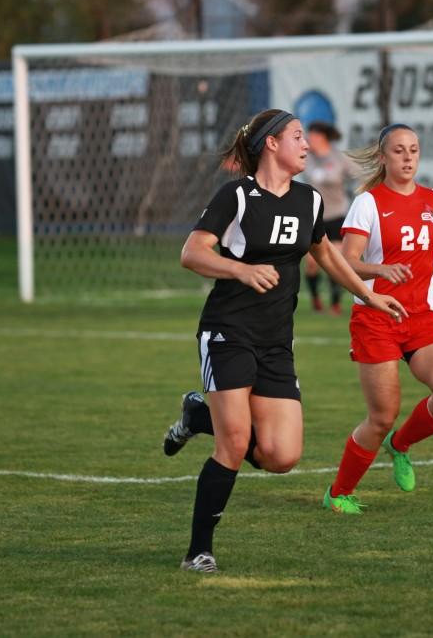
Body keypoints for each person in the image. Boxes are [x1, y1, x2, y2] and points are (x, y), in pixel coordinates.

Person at [169, 109, 406, 573]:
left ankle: (199, 414)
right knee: (235, 444)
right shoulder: (236, 195)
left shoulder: (309, 200)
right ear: (271, 144)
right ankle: (198, 551)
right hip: (228, 333)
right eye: (297, 136)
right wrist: (240, 268)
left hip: (277, 341)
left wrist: (368, 294)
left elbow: (329, 256)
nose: (305, 144)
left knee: (282, 455)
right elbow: (192, 252)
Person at [322, 123, 433, 514]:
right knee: (381, 416)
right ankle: (338, 493)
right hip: (375, 317)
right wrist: (379, 270)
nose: (408, 157)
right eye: (398, 151)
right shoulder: (368, 202)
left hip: (421, 317)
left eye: (413, 150)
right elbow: (347, 263)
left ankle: (401, 445)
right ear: (383, 157)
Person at [300, 121, 360, 315]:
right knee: (311, 263)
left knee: (335, 259)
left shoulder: (339, 158)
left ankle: (335, 303)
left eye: (313, 137)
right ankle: (316, 297)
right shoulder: (306, 158)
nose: (309, 141)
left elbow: (358, 176)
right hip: (314, 216)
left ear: (323, 138)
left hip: (336, 215)